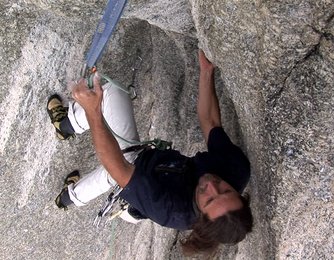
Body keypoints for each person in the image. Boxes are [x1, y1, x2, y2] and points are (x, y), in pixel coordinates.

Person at [47, 50, 253, 255]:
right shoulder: (236, 169)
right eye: (226, 190)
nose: (211, 185)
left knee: (112, 104)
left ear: (201, 216)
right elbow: (211, 122)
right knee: (119, 170)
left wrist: (93, 111)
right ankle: (68, 195)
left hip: (141, 175)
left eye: (209, 199)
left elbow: (118, 167)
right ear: (239, 193)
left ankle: (65, 135)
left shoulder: (171, 210)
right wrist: (207, 72)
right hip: (156, 171)